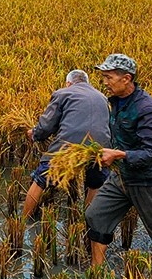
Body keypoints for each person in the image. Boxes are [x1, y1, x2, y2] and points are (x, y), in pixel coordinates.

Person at [85, 53, 152, 268]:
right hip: (121, 177)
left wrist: (119, 155)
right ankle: (96, 271)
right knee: (95, 215)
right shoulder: (118, 103)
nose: (104, 83)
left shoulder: (148, 110)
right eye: (103, 77)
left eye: (109, 77)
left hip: (147, 182)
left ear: (126, 79)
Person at [22, 69, 111, 220]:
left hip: (69, 144)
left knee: (41, 178)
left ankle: (22, 221)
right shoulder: (102, 97)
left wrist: (35, 134)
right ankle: (87, 223)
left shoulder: (62, 93)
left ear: (68, 83)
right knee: (95, 183)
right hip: (99, 148)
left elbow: (47, 126)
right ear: (87, 82)